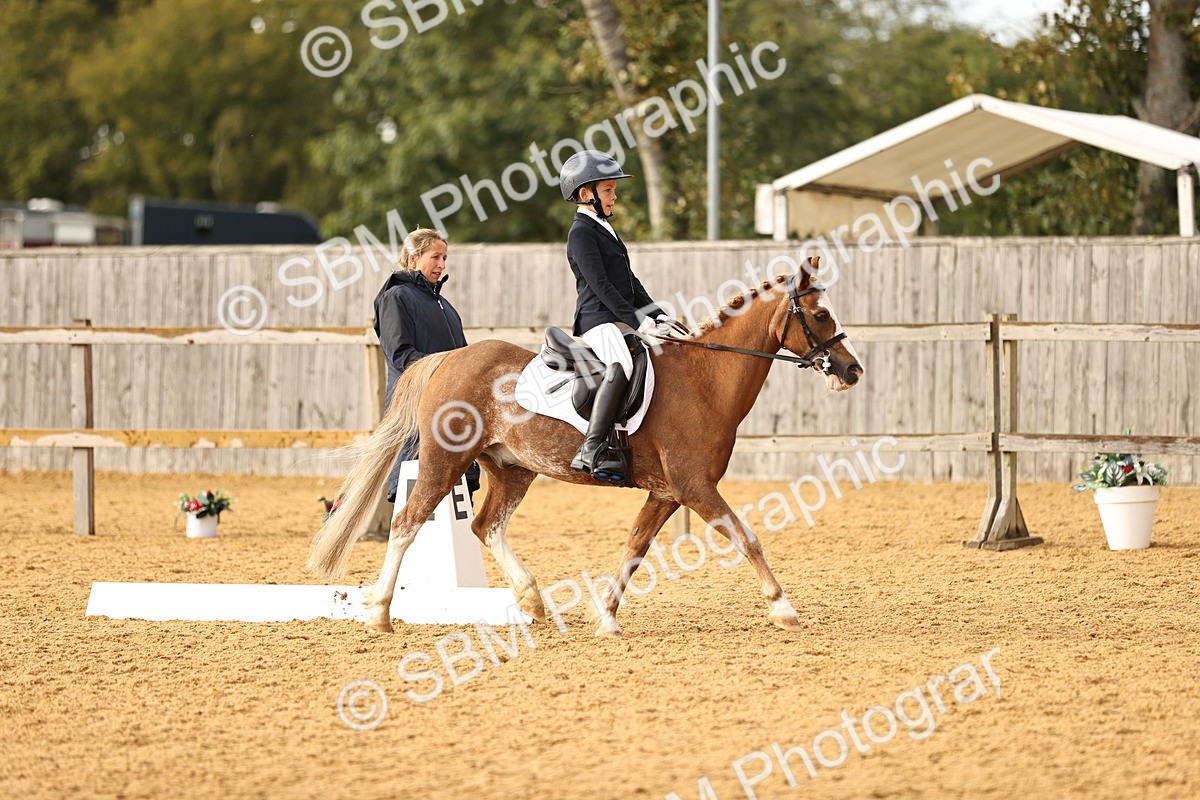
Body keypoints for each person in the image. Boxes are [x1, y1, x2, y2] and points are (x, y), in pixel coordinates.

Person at [559, 149, 674, 482]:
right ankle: (591, 446)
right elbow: (602, 287)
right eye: (608, 189)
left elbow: (630, 282)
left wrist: (658, 315)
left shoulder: (603, 228)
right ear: (586, 193)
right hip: (597, 319)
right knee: (621, 364)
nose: (614, 195)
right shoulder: (581, 232)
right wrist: (639, 322)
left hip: (619, 317)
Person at [373, 228, 480, 503]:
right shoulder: (395, 298)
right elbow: (401, 355)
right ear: (412, 259)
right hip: (415, 407)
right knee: (414, 495)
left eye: (445, 258)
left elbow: (462, 355)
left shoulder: (444, 304)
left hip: (449, 408)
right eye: (435, 257)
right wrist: (449, 371)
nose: (442, 264)